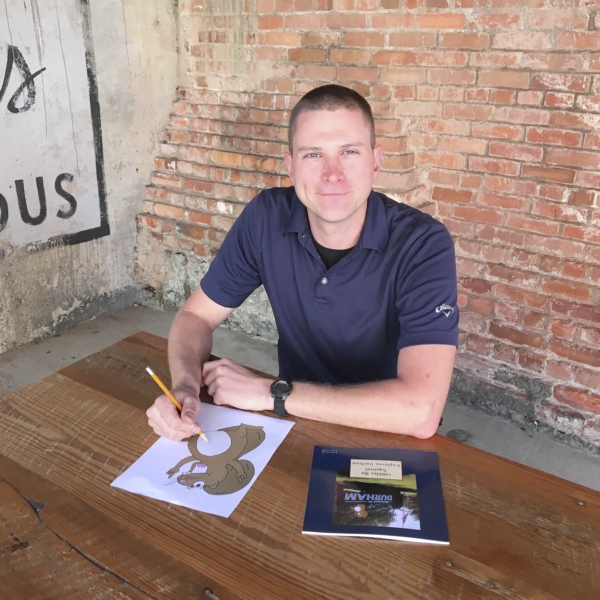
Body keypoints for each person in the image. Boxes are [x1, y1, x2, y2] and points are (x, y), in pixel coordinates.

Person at [147, 84, 458, 441]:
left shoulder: (423, 244)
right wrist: (184, 387)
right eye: (313, 154)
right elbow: (196, 316)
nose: (332, 173)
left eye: (349, 151)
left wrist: (271, 393)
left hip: (385, 429)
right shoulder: (266, 218)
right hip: (292, 425)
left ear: (376, 162)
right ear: (291, 166)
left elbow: (420, 412)